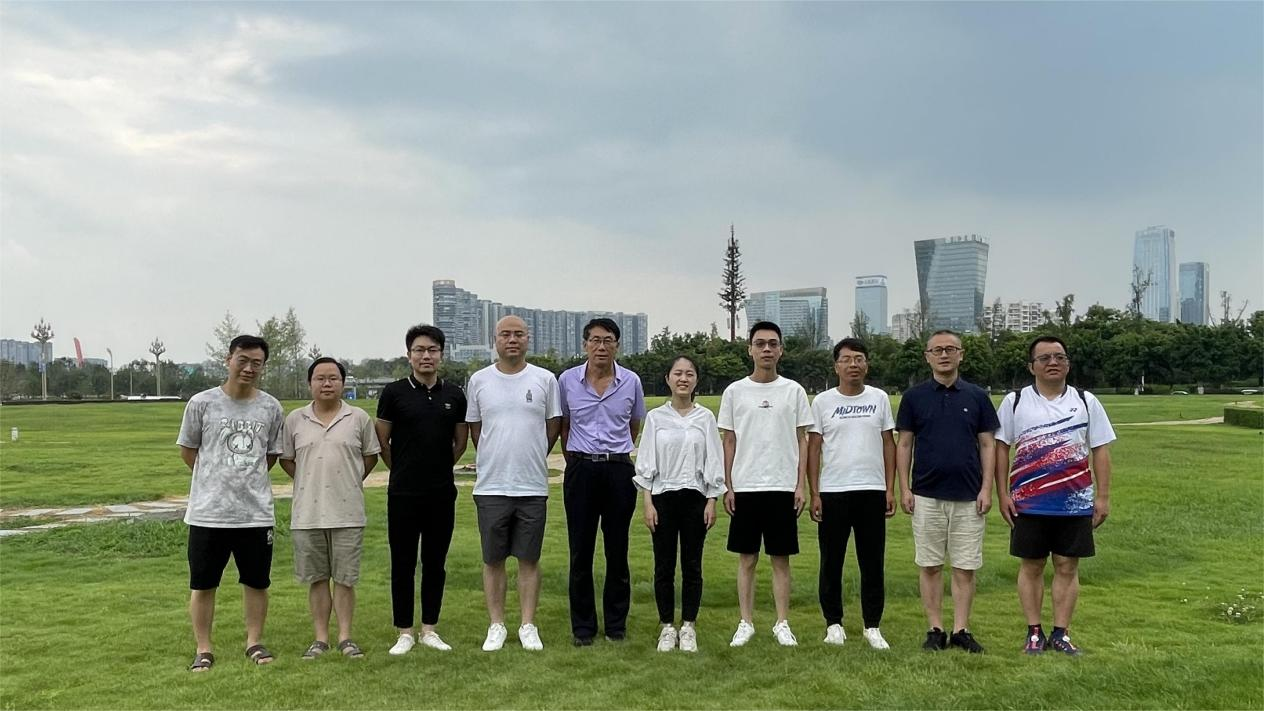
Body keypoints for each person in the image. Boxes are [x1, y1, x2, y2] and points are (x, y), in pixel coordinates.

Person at [995, 335, 1115, 655]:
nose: (1053, 363)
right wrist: (1002, 493)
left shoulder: (1086, 401)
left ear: (1068, 364)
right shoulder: (1015, 401)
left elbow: (1101, 449)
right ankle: (1034, 633)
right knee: (1032, 565)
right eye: (1045, 358)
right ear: (1031, 366)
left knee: (1066, 566)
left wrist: (1103, 497)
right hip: (1028, 502)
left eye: (1059, 357)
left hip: (1074, 502)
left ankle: (1061, 633)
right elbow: (1001, 448)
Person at [177, 334, 285, 672]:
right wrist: (215, 478)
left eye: (257, 363)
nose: (249, 368)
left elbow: (270, 455)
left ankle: (254, 641)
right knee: (203, 583)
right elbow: (188, 451)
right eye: (243, 360)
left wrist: (244, 478)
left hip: (255, 514)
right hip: (208, 513)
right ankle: (203, 648)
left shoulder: (271, 407)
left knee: (257, 581)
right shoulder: (202, 403)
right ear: (229, 360)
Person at [895, 329, 999, 653]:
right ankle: (935, 628)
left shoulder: (977, 396)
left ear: (961, 355)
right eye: (937, 350)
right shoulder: (914, 397)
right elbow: (905, 444)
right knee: (930, 565)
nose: (944, 355)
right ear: (927, 357)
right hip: (926, 494)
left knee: (965, 566)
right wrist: (904, 488)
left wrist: (987, 488)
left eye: (950, 349)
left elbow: (988, 444)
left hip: (969, 496)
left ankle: (961, 629)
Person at [466, 315, 562, 652]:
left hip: (531, 486)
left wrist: (532, 453)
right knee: (493, 560)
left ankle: (527, 624)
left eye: (518, 334)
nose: (512, 340)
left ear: (527, 339)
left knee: (528, 559)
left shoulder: (545, 379)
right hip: (491, 486)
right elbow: (476, 429)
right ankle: (496, 625)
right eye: (505, 334)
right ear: (495, 339)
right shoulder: (479, 380)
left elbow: (553, 425)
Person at [718, 321, 815, 648]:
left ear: (781, 350)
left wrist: (800, 485)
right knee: (747, 559)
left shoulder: (793, 391)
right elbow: (729, 441)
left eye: (773, 344)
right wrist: (728, 486)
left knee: (780, 559)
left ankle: (782, 622)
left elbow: (802, 440)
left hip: (782, 486)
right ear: (750, 350)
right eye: (760, 344)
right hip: (746, 486)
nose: (767, 349)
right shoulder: (735, 392)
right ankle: (745, 622)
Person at [375, 325, 468, 655]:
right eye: (419, 350)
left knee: (435, 562)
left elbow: (459, 443)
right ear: (409, 355)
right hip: (403, 493)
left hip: (441, 493)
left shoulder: (454, 394)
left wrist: (437, 467)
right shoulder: (394, 393)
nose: (426, 356)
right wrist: (403, 468)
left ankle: (429, 628)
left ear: (441, 354)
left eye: (432, 350)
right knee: (402, 563)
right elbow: (383, 442)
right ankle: (404, 631)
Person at [279, 357, 380, 660]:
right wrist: (309, 480)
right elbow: (287, 460)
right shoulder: (295, 419)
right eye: (320, 378)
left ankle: (345, 637)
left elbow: (370, 457)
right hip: (307, 515)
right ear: (310, 383)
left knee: (345, 579)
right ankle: (320, 638)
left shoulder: (358, 418)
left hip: (348, 513)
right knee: (317, 578)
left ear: (343, 383)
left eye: (333, 378)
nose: (327, 384)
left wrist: (349, 479)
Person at [558, 317, 647, 646]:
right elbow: (564, 425)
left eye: (608, 340)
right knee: (580, 551)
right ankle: (583, 628)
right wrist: (577, 460)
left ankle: (615, 625)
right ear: (585, 345)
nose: (601, 346)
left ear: (617, 346)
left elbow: (633, 425)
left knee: (617, 550)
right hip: (581, 469)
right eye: (595, 340)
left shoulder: (631, 381)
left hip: (618, 470)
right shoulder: (567, 380)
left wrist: (614, 455)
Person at [807, 338, 896, 650]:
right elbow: (814, 449)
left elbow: (888, 444)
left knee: (872, 562)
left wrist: (890, 488)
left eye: (859, 359)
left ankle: (872, 626)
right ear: (836, 366)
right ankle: (833, 624)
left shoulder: (879, 398)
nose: (853, 365)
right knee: (831, 562)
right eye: (846, 359)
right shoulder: (822, 402)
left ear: (866, 365)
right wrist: (814, 493)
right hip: (834, 492)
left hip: (872, 490)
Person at [633, 355, 725, 653]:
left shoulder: (705, 418)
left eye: (689, 374)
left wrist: (711, 500)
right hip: (663, 498)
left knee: (692, 565)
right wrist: (648, 503)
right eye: (678, 373)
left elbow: (714, 460)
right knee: (664, 566)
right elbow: (646, 462)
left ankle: (688, 626)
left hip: (695, 498)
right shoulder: (656, 418)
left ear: (696, 380)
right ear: (668, 379)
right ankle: (666, 626)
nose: (683, 379)